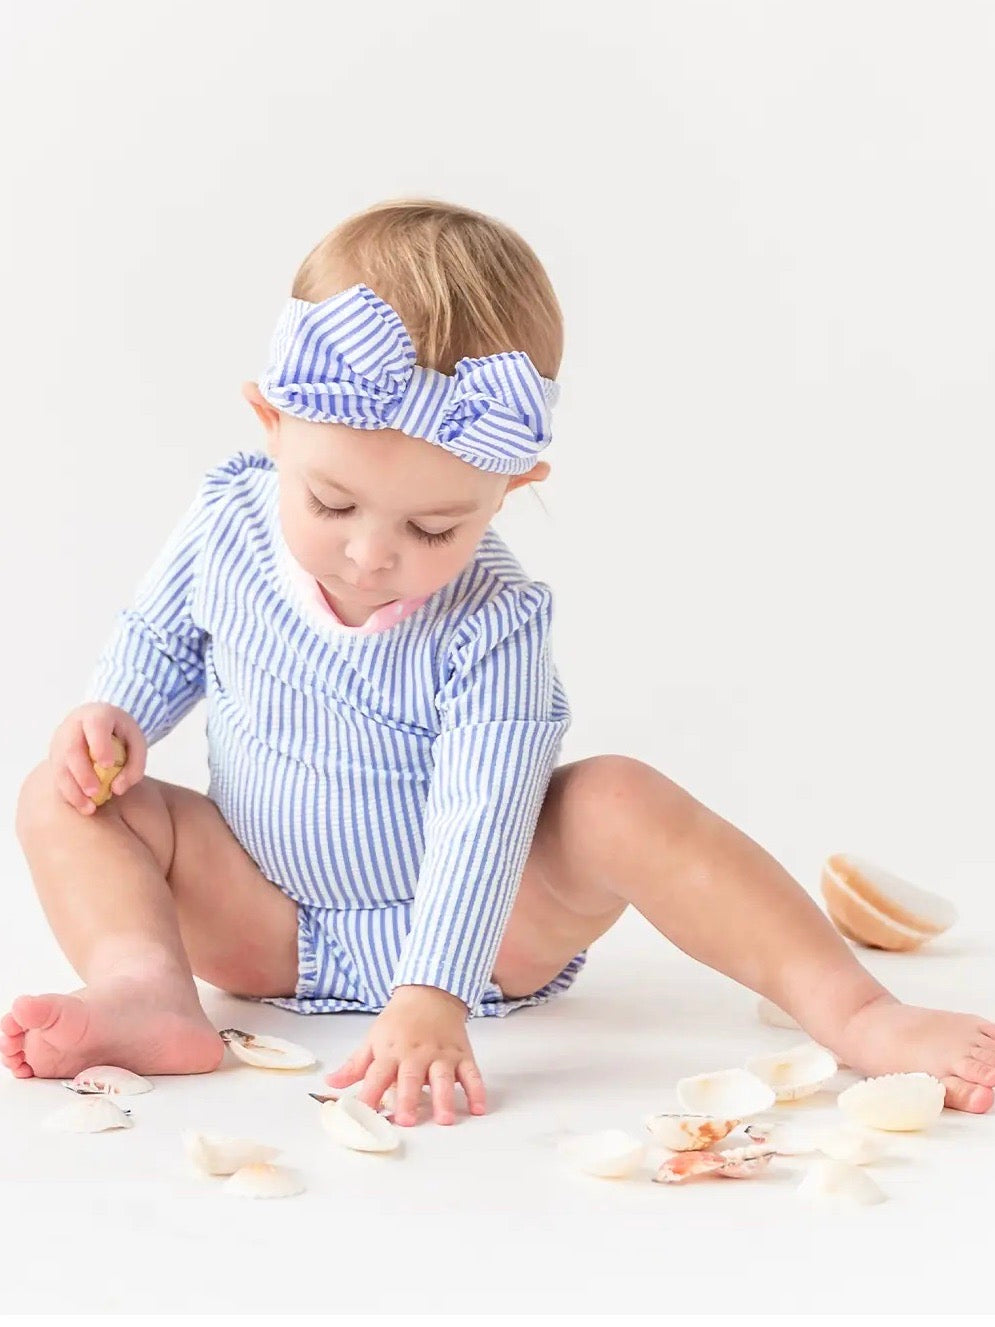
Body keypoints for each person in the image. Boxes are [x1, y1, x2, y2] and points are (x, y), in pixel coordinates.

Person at [4, 199, 994, 1128]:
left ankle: (858, 1012)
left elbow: (483, 813)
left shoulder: (496, 621)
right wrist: (115, 712)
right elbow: (161, 634)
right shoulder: (226, 518)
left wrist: (433, 991)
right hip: (253, 911)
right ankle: (146, 990)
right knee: (62, 795)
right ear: (271, 423)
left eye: (434, 525)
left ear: (509, 487)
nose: (371, 553)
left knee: (617, 797)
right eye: (332, 503)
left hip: (488, 942)